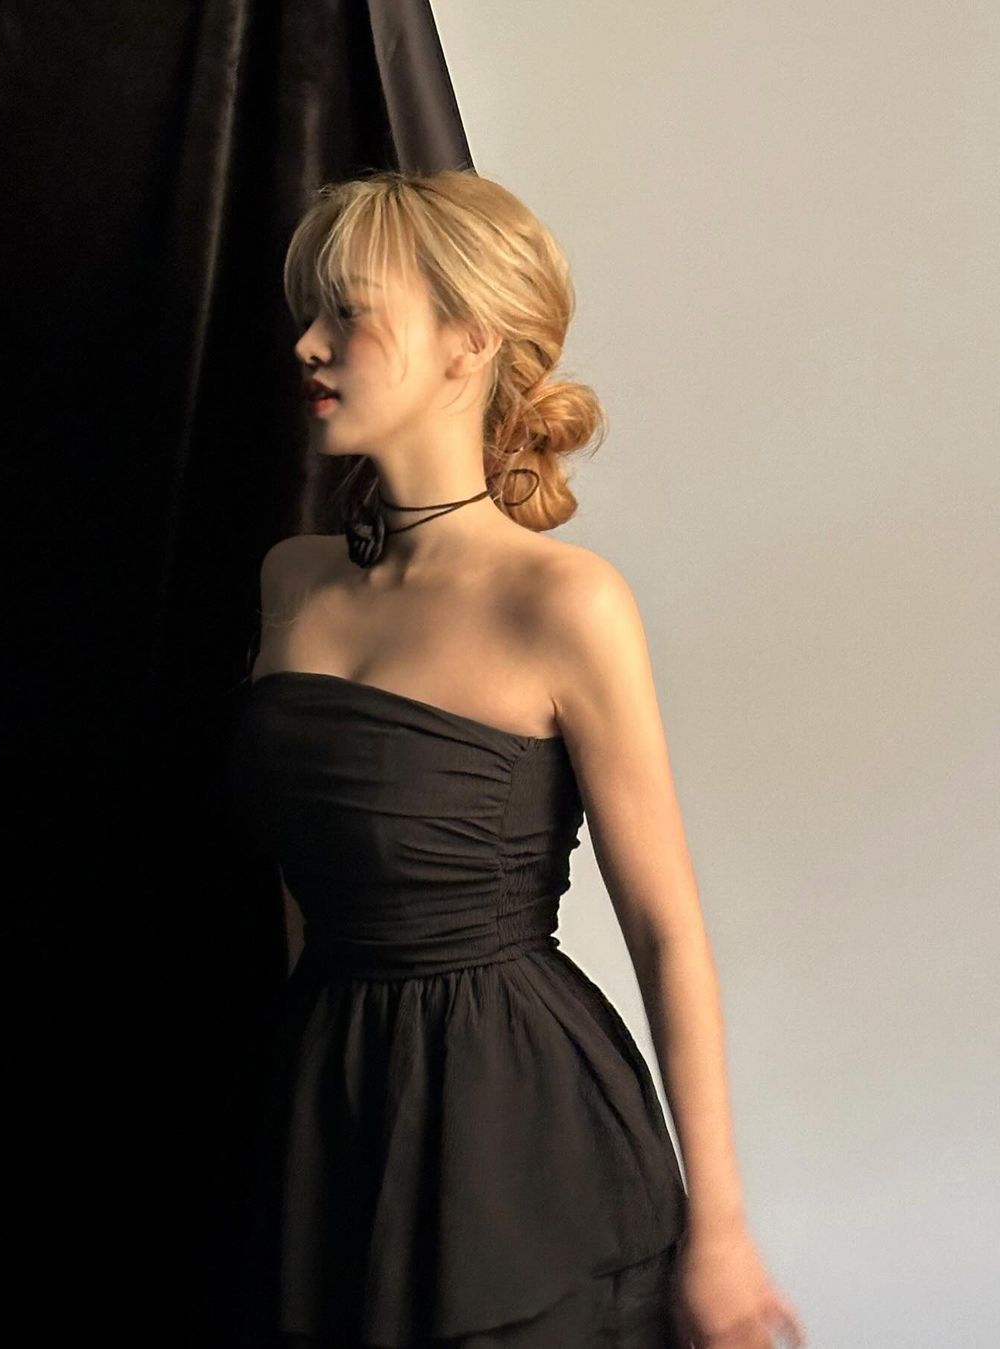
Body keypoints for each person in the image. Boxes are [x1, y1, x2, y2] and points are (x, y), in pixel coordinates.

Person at [226, 168, 806, 1349]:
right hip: (321, 1108)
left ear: (468, 339)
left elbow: (667, 928)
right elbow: (297, 878)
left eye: (347, 312)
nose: (307, 344)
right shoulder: (292, 580)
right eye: (308, 311)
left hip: (514, 1127)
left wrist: (722, 1230)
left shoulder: (566, 602)